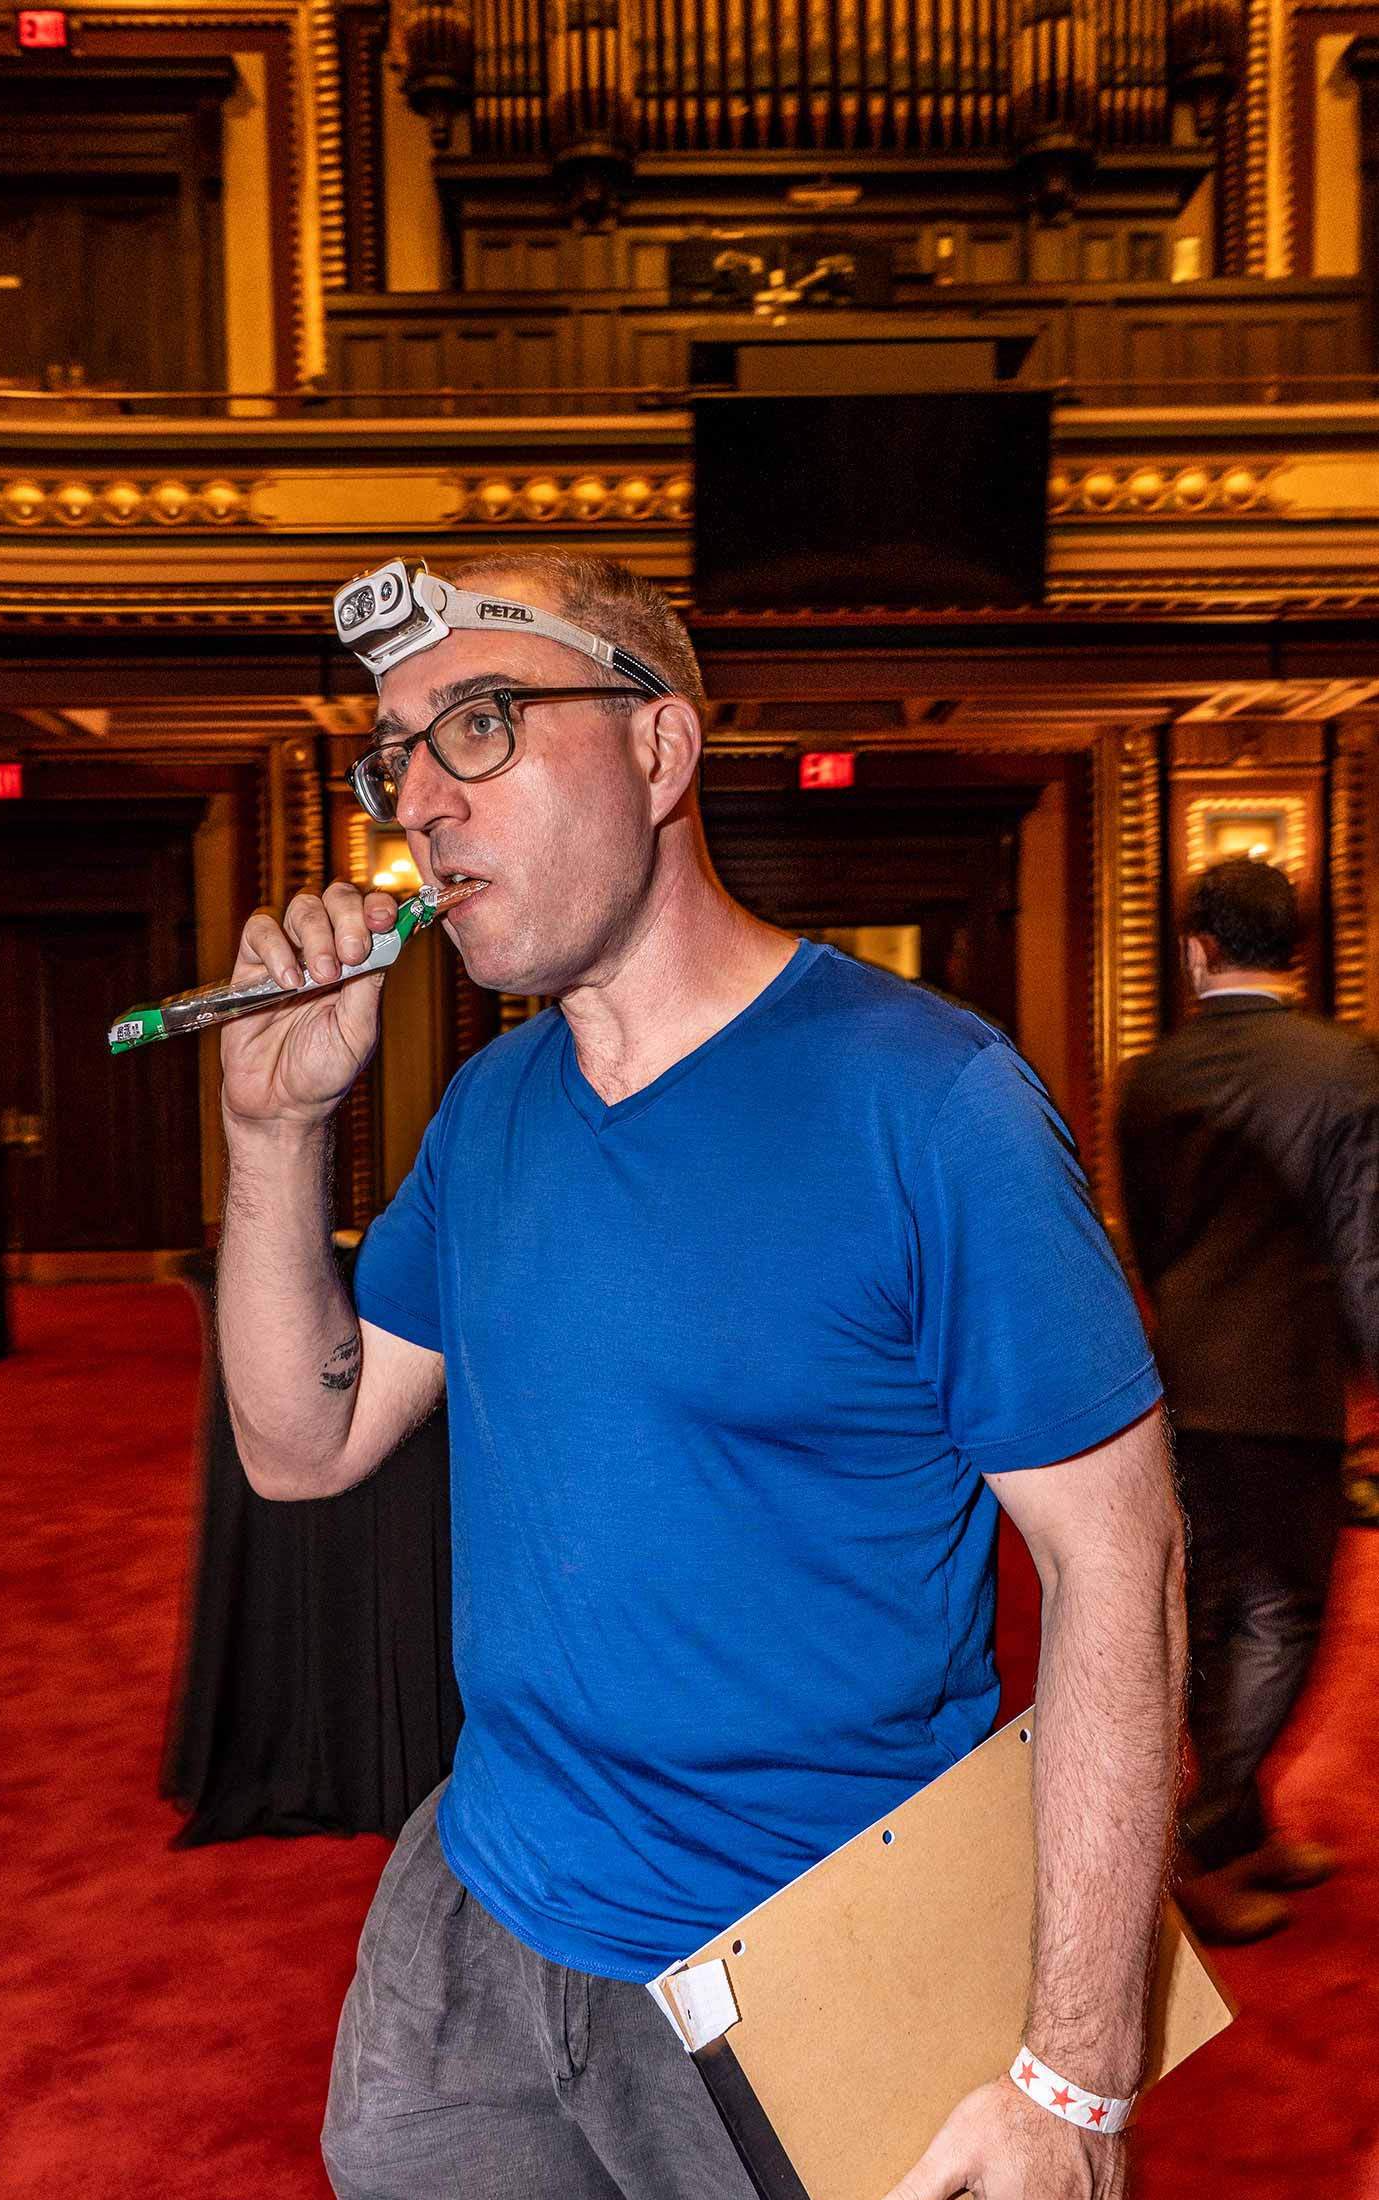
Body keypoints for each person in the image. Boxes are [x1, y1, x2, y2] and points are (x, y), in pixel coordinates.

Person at [217, 551, 1184, 2200]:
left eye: (481, 725)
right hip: (482, 1909)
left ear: (660, 749)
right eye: (395, 757)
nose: (422, 805)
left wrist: (1077, 2076)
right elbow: (299, 1447)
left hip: (815, 1954)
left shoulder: (926, 1103)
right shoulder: (490, 1109)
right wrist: (272, 1132)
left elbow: (1120, 1562)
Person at [1118, 856, 1379, 1945]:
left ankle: (1245, 1826)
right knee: (1283, 1618)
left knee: (1219, 1609)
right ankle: (1203, 1840)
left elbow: (1150, 1235)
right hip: (1286, 1390)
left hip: (1183, 1381)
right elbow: (1364, 1251)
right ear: (1299, 949)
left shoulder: (1151, 1076)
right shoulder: (1342, 1066)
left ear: (1196, 950)